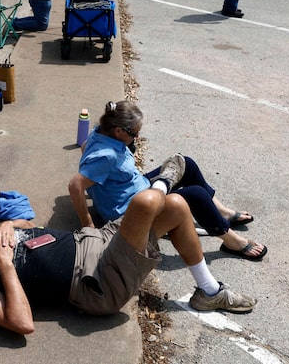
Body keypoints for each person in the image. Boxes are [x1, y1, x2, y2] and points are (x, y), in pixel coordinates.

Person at [0, 180, 256, 335]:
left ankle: (208, 293)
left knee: (179, 207)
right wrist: (5, 266)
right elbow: (22, 324)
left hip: (98, 239)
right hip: (97, 279)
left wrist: (7, 223)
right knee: (144, 203)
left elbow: (29, 226)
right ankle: (163, 178)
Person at [68, 101, 267, 261]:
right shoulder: (107, 156)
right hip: (132, 213)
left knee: (185, 164)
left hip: (140, 190)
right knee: (195, 195)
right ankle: (231, 240)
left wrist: (100, 187)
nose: (136, 137)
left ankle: (222, 212)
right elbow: (76, 185)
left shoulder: (99, 131)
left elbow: (84, 148)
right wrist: (88, 224)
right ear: (119, 131)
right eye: (134, 133)